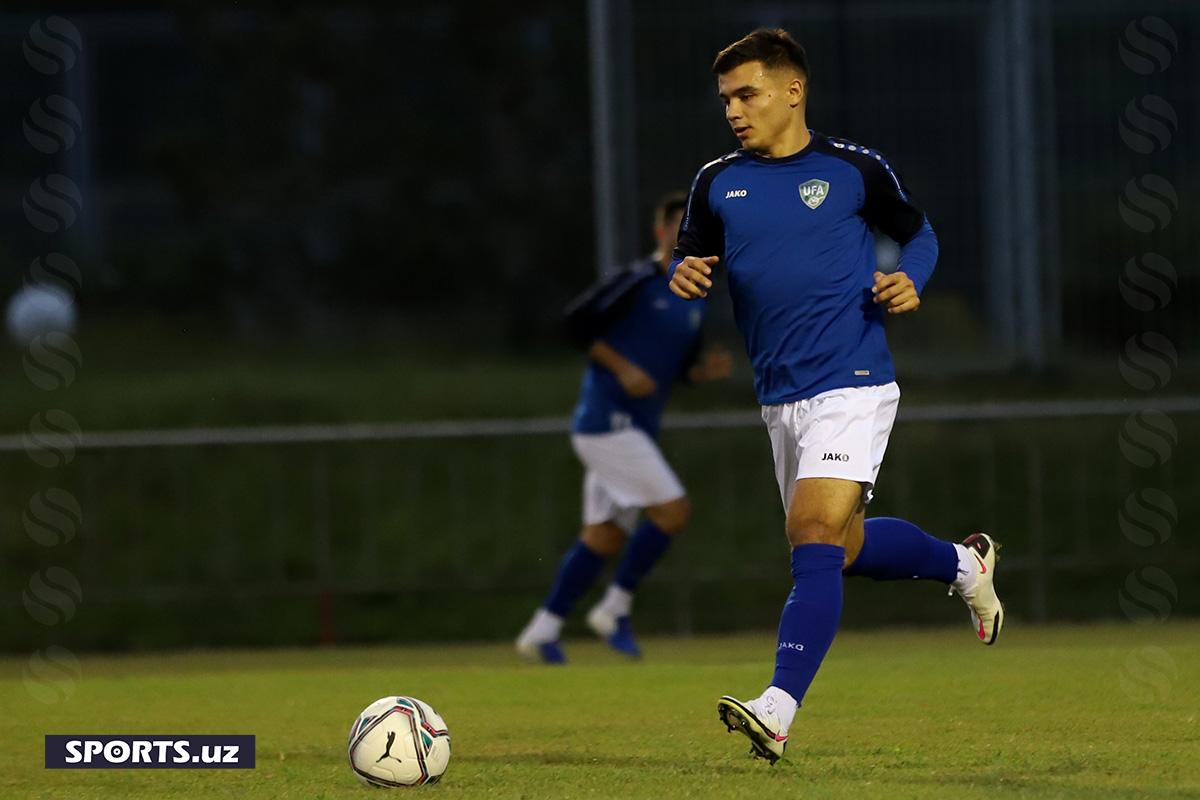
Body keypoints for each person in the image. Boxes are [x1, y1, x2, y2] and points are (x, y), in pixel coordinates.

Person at [667, 29, 1003, 763]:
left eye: (747, 94)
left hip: (854, 381)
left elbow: (918, 232)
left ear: (793, 91)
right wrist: (684, 272)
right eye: (726, 98)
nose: (733, 111)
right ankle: (961, 565)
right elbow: (690, 255)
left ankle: (776, 711)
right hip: (779, 396)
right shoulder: (716, 181)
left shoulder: (854, 169)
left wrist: (911, 276)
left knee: (812, 533)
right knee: (840, 549)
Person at [516, 191, 732, 664]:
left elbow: (676, 369)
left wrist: (702, 373)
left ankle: (543, 628)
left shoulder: (694, 298)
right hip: (606, 424)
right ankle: (615, 609)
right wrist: (622, 368)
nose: (687, 236)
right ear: (661, 233)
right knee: (674, 510)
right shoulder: (636, 282)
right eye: (679, 227)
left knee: (605, 536)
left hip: (635, 429)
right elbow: (574, 325)